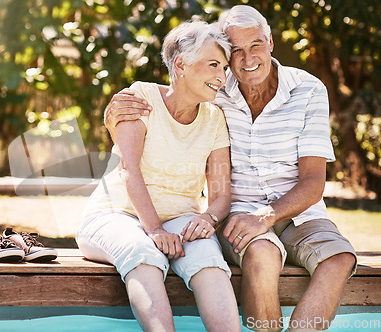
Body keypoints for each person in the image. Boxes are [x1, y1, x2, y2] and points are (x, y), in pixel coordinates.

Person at [104, 5, 357, 331]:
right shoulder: (216, 89)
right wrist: (116, 114)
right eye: (234, 51)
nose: (247, 59)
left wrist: (265, 216)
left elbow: (313, 182)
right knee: (262, 255)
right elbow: (175, 92)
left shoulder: (308, 90)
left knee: (339, 259)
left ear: (270, 42)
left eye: (255, 45)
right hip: (238, 213)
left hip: (300, 212)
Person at [76, 21, 241, 332]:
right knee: (143, 254)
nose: (222, 76)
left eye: (224, 67)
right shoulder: (140, 97)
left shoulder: (215, 119)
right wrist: (153, 229)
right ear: (180, 64)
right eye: (213, 65)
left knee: (207, 256)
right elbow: (129, 169)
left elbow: (220, 195)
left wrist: (208, 219)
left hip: (179, 219)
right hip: (115, 214)